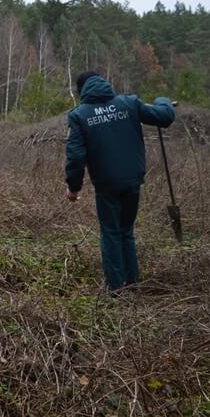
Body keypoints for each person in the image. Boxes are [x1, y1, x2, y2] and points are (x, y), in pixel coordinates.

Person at [65, 71, 175, 293]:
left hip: (106, 185)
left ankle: (116, 288)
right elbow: (164, 117)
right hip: (133, 181)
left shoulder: (79, 115)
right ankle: (133, 282)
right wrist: (162, 101)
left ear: (82, 90)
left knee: (111, 233)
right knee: (126, 230)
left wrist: (73, 188)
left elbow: (76, 156)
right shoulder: (129, 103)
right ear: (104, 83)